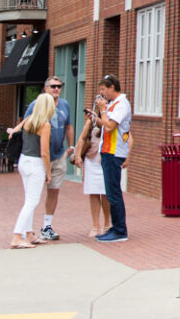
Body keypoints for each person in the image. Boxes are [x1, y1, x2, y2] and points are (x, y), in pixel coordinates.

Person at [22, 77, 73, 241]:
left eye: (59, 86)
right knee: (32, 196)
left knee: (54, 191)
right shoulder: (35, 105)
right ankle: (25, 230)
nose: (57, 89)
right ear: (45, 88)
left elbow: (68, 126)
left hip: (58, 155)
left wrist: (71, 146)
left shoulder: (65, 105)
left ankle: (47, 226)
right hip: (39, 156)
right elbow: (25, 124)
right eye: (53, 86)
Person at [7, 94, 53, 249]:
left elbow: (13, 132)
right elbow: (45, 152)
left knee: (28, 199)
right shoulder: (44, 125)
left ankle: (29, 234)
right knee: (32, 202)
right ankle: (17, 236)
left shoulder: (28, 120)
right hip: (36, 164)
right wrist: (48, 172)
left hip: (23, 161)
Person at [92, 74, 132, 243]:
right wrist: (96, 118)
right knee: (110, 191)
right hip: (108, 150)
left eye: (103, 89)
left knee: (113, 192)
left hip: (114, 152)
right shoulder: (114, 104)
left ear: (112, 87)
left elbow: (109, 127)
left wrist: (102, 110)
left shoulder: (121, 104)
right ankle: (116, 228)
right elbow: (106, 124)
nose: (102, 93)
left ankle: (120, 230)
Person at [72, 105, 111, 238]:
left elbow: (115, 131)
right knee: (93, 192)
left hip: (106, 160)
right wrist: (77, 155)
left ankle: (107, 224)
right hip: (92, 160)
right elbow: (82, 138)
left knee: (106, 193)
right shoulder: (92, 121)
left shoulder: (112, 119)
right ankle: (95, 225)